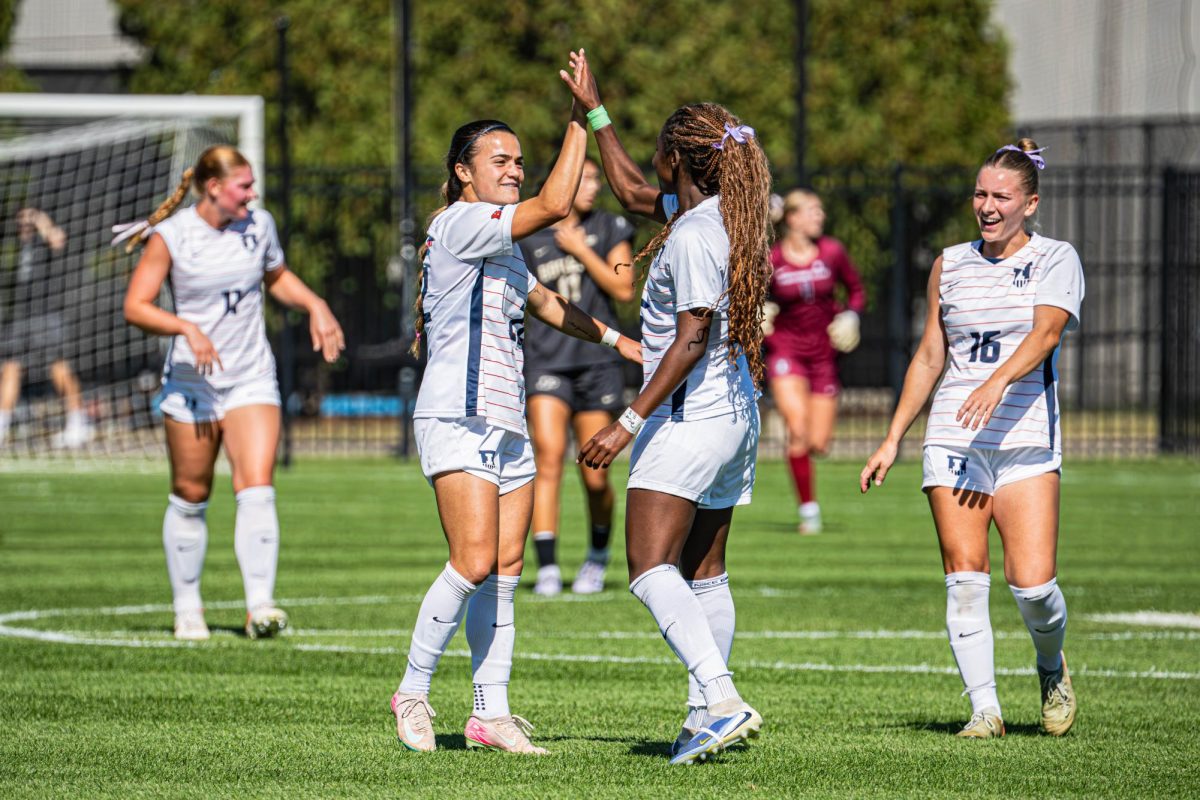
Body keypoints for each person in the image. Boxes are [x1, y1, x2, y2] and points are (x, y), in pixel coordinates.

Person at [391, 51, 641, 756]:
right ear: (464, 172)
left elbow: (547, 303)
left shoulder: (497, 243)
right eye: (498, 159)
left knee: (504, 572)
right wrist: (582, 116)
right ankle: (412, 689)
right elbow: (558, 204)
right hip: (457, 416)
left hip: (506, 422)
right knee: (471, 561)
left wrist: (621, 345)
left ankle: (488, 714)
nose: (513, 168)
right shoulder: (460, 223)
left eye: (518, 159)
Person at [567, 51, 769, 764]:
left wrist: (625, 424)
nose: (647, 158)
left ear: (676, 158)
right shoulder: (719, 213)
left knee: (650, 567)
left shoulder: (689, 235)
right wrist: (596, 112)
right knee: (705, 571)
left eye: (657, 145)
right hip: (735, 415)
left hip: (689, 416)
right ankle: (700, 717)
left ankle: (721, 698)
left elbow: (690, 340)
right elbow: (626, 190)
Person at [860, 139, 1083, 739]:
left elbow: (1045, 337)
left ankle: (1050, 665)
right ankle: (984, 709)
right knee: (964, 577)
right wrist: (892, 439)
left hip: (1026, 439)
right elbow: (931, 356)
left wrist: (996, 383)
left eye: (1001, 196)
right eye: (980, 194)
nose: (987, 206)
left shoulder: (1056, 258)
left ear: (1028, 204)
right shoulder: (950, 263)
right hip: (954, 438)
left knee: (1033, 586)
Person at [122, 145, 345, 642]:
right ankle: (188, 608)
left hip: (250, 377)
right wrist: (185, 328)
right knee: (191, 493)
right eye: (243, 185)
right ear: (213, 188)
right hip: (192, 384)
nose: (253, 193)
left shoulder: (259, 226)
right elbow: (136, 306)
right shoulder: (173, 236)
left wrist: (314, 303)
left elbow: (277, 276)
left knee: (257, 484)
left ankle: (260, 605)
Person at [520, 156, 636, 596]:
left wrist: (582, 248)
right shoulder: (530, 234)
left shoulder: (610, 228)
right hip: (546, 361)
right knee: (548, 458)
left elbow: (624, 288)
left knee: (595, 473)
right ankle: (547, 566)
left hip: (598, 364)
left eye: (594, 178)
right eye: (583, 177)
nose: (591, 185)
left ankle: (597, 556)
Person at [764, 189, 865, 533]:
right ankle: (809, 512)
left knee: (818, 443)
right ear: (792, 218)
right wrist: (757, 313)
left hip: (824, 354)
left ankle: (808, 496)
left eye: (821, 211)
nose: (819, 217)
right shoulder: (773, 258)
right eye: (812, 211)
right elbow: (748, 293)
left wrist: (851, 316)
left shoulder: (832, 252)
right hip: (786, 350)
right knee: (797, 429)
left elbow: (856, 290)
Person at [0, 207, 94, 448]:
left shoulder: (46, 245)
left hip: (47, 317)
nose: (24, 226)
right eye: (20, 222)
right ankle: (2, 425)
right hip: (22, 318)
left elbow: (57, 239)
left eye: (27, 223)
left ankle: (77, 424)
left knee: (59, 368)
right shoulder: (20, 248)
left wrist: (39, 219)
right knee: (10, 368)